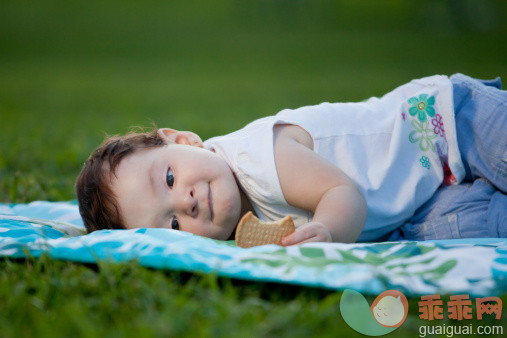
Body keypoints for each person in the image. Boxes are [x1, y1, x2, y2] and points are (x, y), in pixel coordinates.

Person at [75, 73, 506, 245]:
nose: (184, 203)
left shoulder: (259, 157)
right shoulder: (237, 240)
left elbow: (344, 194)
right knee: (486, 225)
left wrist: (326, 236)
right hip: (415, 206)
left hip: (447, 124)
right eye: (172, 224)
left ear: (184, 140)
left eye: (168, 178)